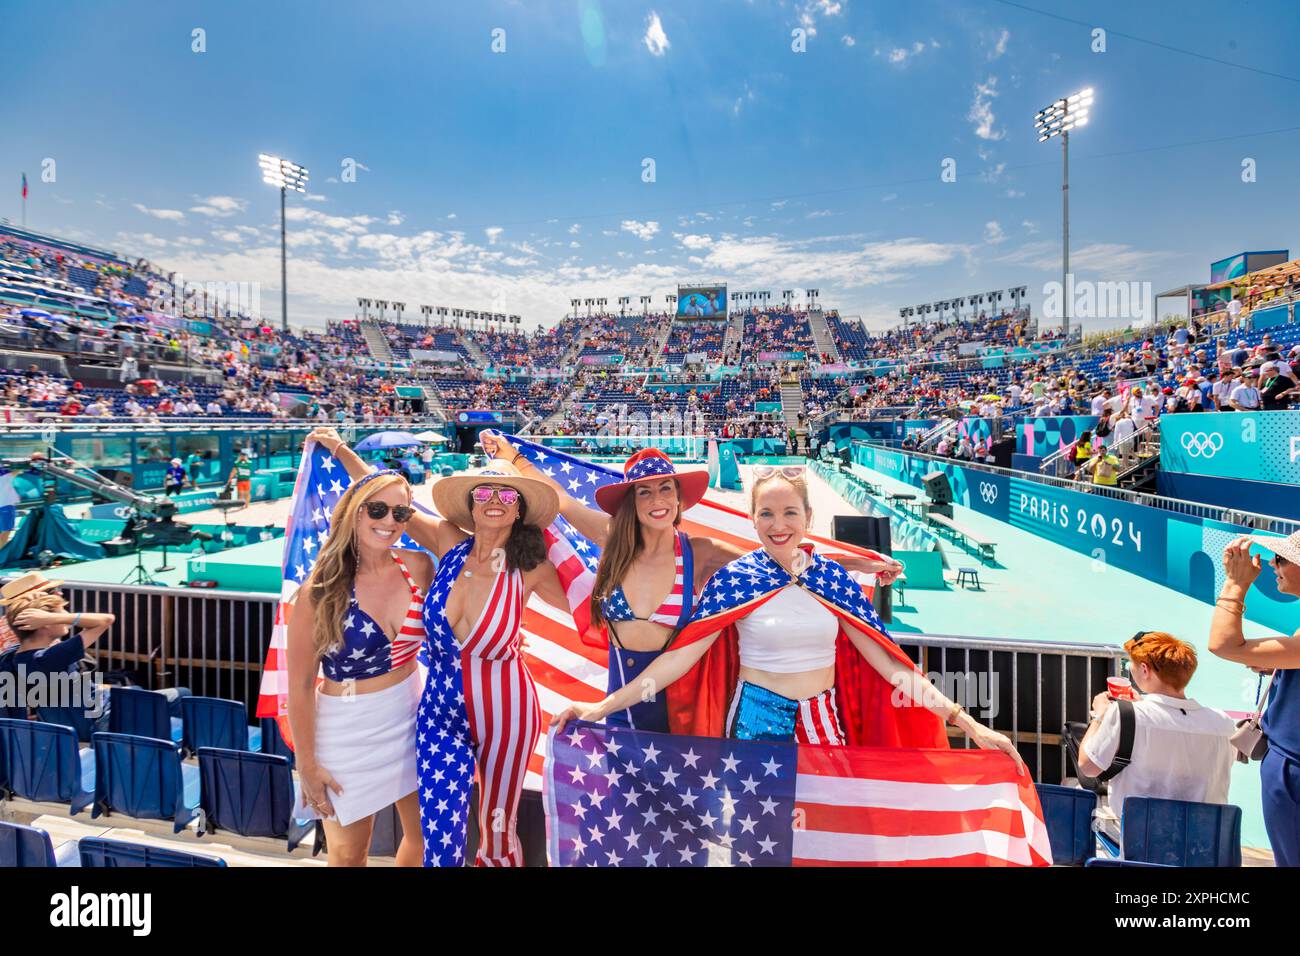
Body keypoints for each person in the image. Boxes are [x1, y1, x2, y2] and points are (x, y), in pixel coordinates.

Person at [554, 468, 1020, 766]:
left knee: (831, 843)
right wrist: (600, 708)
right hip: (756, 725)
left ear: (808, 516)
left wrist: (967, 721)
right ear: (752, 520)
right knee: (760, 847)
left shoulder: (831, 580)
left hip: (825, 723)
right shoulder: (735, 580)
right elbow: (674, 661)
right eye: (767, 514)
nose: (779, 525)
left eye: (789, 512)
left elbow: (892, 667)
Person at [483, 435, 902, 735]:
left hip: (682, 707)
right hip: (619, 704)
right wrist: (514, 456)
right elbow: (561, 500)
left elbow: (780, 564)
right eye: (644, 492)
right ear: (632, 501)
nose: (657, 499)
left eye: (666, 488)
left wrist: (859, 562)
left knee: (682, 833)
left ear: (680, 498)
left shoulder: (699, 552)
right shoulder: (612, 539)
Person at [310, 427, 571, 867]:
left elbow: (593, 609)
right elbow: (382, 498)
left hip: (507, 708)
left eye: (508, 496)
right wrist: (340, 449)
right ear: (469, 503)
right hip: (439, 708)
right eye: (484, 491)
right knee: (437, 829)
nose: (494, 500)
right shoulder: (449, 543)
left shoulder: (532, 567)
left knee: (497, 825)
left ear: (520, 509)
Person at [286, 468, 432, 866]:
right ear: (353, 511)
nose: (389, 522)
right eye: (378, 509)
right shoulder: (318, 590)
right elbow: (298, 686)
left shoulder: (419, 566)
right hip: (346, 731)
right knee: (349, 854)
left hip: (411, 717)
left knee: (425, 840)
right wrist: (308, 764)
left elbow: (450, 623)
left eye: (401, 514)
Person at [1075, 632, 1235, 826]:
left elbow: (1088, 767)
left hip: (1143, 837)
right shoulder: (1223, 723)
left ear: (1144, 669)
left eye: (1130, 665)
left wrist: (1100, 716)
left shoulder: (1125, 714)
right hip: (1206, 838)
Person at [1210, 534, 1300, 866]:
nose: (1274, 564)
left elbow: (1223, 644)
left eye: (1283, 559)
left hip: (1292, 774)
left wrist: (1235, 584)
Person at [0, 573, 117, 724]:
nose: (59, 593)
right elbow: (106, 620)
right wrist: (53, 618)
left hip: (55, 713)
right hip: (87, 715)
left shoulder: (14, 653)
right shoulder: (45, 651)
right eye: (52, 592)